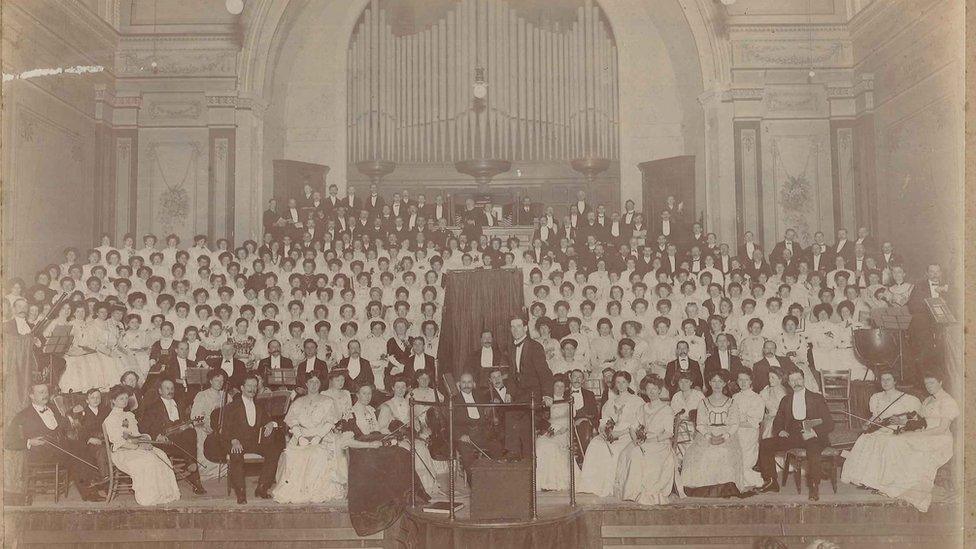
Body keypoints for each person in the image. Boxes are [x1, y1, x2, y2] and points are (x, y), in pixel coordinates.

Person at [840, 371, 957, 511]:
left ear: (941, 382)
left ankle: (898, 483)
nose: (928, 386)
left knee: (895, 442)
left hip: (938, 438)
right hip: (925, 432)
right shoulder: (928, 400)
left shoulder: (947, 401)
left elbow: (942, 429)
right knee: (894, 441)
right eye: (926, 383)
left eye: (932, 383)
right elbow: (919, 420)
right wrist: (905, 422)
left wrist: (918, 434)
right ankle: (888, 481)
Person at [6, 382, 106, 501]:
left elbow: (63, 426)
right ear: (31, 396)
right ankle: (90, 491)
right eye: (41, 392)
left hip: (59, 448)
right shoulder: (23, 415)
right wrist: (29, 442)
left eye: (46, 392)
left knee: (83, 446)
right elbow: (8, 442)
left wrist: (73, 413)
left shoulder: (53, 408)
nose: (45, 395)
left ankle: (97, 482)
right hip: (41, 454)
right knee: (75, 455)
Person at [757, 369, 834, 501]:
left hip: (813, 436)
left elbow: (829, 423)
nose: (796, 383)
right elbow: (778, 421)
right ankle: (771, 482)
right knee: (765, 444)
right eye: (792, 380)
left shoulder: (816, 398)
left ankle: (814, 487)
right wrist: (780, 430)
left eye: (798, 379)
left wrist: (814, 432)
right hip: (793, 437)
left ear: (803, 379)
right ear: (788, 383)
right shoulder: (786, 400)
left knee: (813, 449)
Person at [272, 375, 348, 503]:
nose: (314, 384)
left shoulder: (328, 401)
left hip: (322, 436)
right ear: (306, 384)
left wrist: (318, 437)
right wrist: (300, 437)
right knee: (293, 455)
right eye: (311, 382)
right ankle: (298, 490)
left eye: (317, 382)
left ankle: (314, 490)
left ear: (320, 384)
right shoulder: (298, 401)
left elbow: (330, 422)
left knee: (317, 454)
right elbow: (293, 421)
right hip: (301, 435)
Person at [102, 384, 181, 505]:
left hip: (136, 447)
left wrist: (146, 441)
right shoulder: (110, 419)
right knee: (149, 459)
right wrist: (139, 446)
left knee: (161, 454)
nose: (125, 401)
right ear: (113, 400)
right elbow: (119, 442)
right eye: (121, 399)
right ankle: (150, 497)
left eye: (126, 398)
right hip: (122, 452)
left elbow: (136, 434)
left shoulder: (129, 415)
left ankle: (166, 493)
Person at [679, 370, 746, 498]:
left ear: (725, 383)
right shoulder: (703, 402)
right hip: (706, 434)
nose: (717, 384)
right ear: (709, 383)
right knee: (699, 453)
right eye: (714, 381)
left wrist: (724, 437)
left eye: (720, 381)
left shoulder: (732, 402)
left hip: (727, 434)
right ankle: (702, 488)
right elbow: (700, 424)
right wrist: (709, 437)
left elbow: (734, 424)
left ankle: (725, 487)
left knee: (724, 452)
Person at [578, 371, 644, 497]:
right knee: (595, 444)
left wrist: (621, 432)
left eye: (624, 382)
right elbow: (603, 420)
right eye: (618, 382)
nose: (621, 385)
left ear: (629, 383)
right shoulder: (610, 402)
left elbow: (638, 423)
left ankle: (611, 486)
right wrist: (603, 430)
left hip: (629, 435)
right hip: (611, 434)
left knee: (614, 449)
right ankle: (592, 485)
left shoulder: (637, 401)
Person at [221, 375, 285, 504]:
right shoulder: (232, 406)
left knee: (274, 451)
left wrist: (270, 424)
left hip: (254, 442)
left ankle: (262, 488)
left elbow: (268, 420)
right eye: (249, 386)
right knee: (236, 454)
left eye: (255, 386)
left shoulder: (259, 405)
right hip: (236, 441)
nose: (252, 389)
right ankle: (240, 492)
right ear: (242, 388)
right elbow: (225, 429)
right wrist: (234, 440)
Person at [614, 375, 675, 505]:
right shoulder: (642, 408)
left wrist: (653, 439)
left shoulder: (666, 409)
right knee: (627, 452)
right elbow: (632, 427)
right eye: (648, 389)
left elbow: (669, 433)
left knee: (638, 454)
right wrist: (635, 439)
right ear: (645, 391)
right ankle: (632, 492)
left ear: (660, 390)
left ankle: (643, 491)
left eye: (654, 389)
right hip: (644, 441)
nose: (651, 392)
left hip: (660, 444)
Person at [139, 378, 207, 494]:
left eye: (172, 388)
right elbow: (143, 427)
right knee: (188, 439)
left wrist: (186, 426)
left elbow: (183, 422)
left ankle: (191, 464)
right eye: (167, 388)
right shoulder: (153, 407)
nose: (170, 391)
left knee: (191, 432)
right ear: (160, 391)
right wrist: (156, 435)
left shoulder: (179, 405)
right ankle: (192, 469)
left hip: (181, 441)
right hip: (164, 442)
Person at [504, 316, 554, 459]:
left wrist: (547, 394)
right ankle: (514, 455)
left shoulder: (535, 346)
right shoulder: (512, 348)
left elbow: (545, 372)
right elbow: (513, 374)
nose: (515, 330)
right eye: (512, 327)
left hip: (534, 395)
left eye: (518, 326)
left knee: (525, 423)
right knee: (509, 415)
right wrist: (509, 392)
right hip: (520, 395)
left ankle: (527, 461)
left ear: (525, 328)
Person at [452, 373, 502, 481]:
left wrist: (494, 403)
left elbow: (489, 409)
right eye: (464, 382)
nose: (466, 385)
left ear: (473, 384)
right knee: (467, 455)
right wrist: (460, 435)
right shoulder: (454, 400)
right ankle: (475, 484)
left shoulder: (480, 396)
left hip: (481, 433)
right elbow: (450, 422)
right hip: (466, 435)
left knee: (497, 446)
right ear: (459, 384)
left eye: (469, 382)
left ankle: (496, 481)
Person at [535, 375, 580, 491]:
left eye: (562, 386)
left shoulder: (569, 401)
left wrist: (561, 430)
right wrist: (550, 430)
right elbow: (541, 420)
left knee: (552, 446)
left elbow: (571, 420)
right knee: (540, 444)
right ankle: (543, 481)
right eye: (557, 386)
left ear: (565, 388)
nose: (559, 389)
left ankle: (554, 482)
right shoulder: (547, 401)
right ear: (552, 387)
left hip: (564, 432)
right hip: (550, 431)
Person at [189, 369, 229, 480]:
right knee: (203, 436)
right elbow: (196, 417)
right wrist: (206, 427)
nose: (220, 383)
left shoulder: (226, 396)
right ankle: (208, 471)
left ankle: (226, 468)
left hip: (221, 428)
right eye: (217, 380)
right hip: (204, 427)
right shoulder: (202, 395)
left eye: (222, 381)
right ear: (210, 381)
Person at [732, 371, 765, 489]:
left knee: (745, 463)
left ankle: (756, 479)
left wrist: (736, 423)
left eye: (746, 379)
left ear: (751, 381)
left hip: (748, 434)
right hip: (735, 432)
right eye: (740, 379)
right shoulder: (735, 397)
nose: (743, 382)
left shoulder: (756, 398)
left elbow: (753, 422)